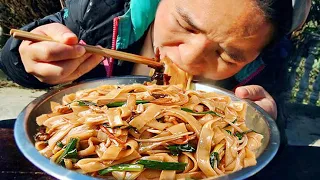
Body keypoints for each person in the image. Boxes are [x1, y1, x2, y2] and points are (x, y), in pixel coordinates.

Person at [0, 0, 311, 120]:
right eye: (186, 26)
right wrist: (24, 55)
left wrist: (268, 122)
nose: (189, 58)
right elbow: (14, 55)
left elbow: (276, 114)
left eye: (228, 54)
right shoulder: (98, 17)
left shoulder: (264, 68)